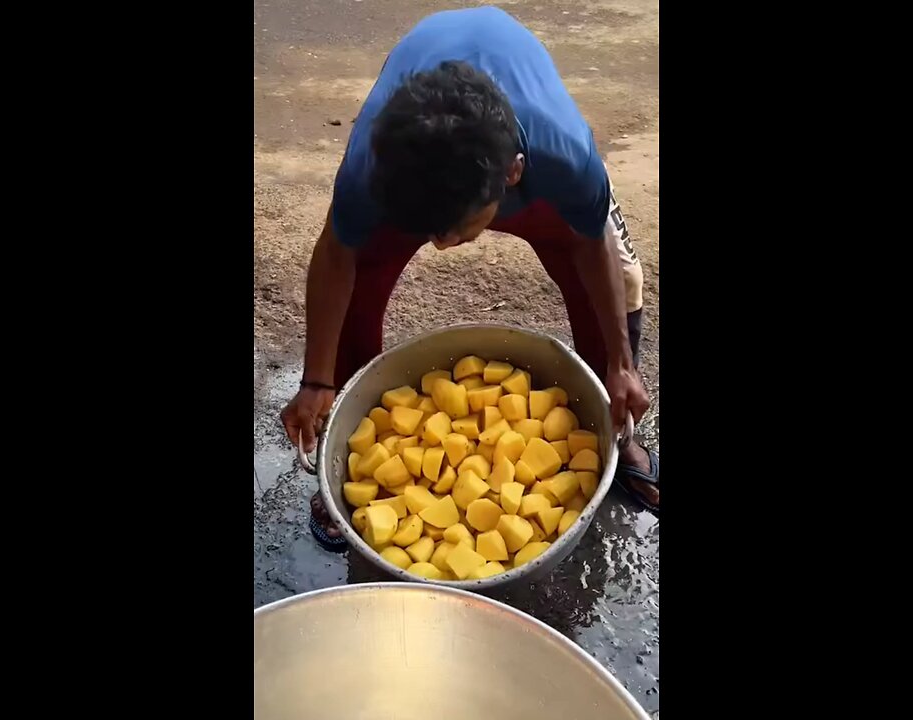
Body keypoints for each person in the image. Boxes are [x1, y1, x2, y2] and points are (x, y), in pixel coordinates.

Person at [279, 6, 659, 550]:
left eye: (457, 231)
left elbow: (591, 243)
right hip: (425, 114)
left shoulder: (566, 159)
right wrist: (316, 380)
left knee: (619, 277)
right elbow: (337, 256)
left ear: (514, 175)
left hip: (522, 130)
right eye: (431, 231)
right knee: (364, 272)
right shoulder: (376, 166)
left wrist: (621, 363)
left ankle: (619, 430)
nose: (441, 246)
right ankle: (356, 443)